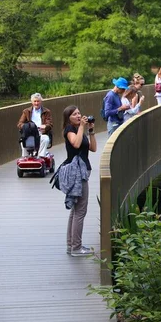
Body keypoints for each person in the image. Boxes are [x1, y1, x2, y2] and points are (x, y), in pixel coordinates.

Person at [62, 105, 97, 256]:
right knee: (80, 211)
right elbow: (75, 144)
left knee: (75, 210)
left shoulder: (80, 130)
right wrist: (81, 127)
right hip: (77, 173)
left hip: (83, 171)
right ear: (68, 117)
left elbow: (93, 148)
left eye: (79, 113)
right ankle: (77, 247)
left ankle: (71, 245)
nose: (78, 116)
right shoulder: (69, 130)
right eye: (74, 114)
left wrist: (91, 130)